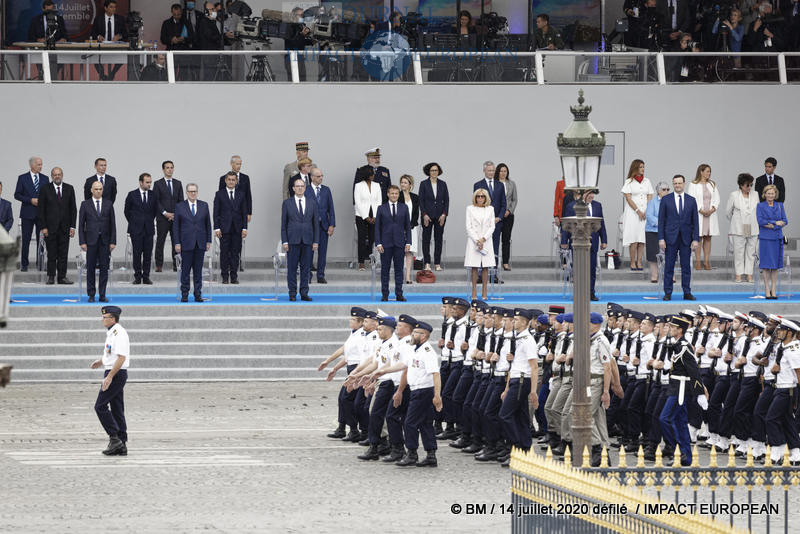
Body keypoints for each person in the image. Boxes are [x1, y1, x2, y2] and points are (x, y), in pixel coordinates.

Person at [371, 320, 443, 467]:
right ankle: (431, 455)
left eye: (416, 333)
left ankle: (412, 453)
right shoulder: (416, 350)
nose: (413, 335)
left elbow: (436, 374)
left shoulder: (427, 351)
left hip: (423, 391)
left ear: (424, 336)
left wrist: (437, 395)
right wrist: (383, 370)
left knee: (410, 423)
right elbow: (403, 365)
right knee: (425, 423)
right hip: (417, 390)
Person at [658, 315, 707, 466]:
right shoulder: (678, 345)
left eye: (673, 327)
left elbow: (694, 370)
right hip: (675, 387)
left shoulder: (684, 347)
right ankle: (686, 456)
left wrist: (699, 392)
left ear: (680, 330)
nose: (670, 329)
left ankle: (677, 450)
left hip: (680, 389)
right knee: (680, 423)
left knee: (665, 419)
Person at [317, 306, 368, 441]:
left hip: (359, 369)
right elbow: (345, 352)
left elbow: (359, 357)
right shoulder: (354, 333)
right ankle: (342, 427)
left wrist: (356, 374)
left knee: (348, 399)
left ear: (361, 322)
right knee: (342, 398)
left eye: (353, 319)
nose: (350, 321)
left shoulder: (362, 335)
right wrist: (332, 365)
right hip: (352, 368)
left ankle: (354, 430)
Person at [497, 309, 539, 465]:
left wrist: (533, 391)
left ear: (523, 322)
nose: (513, 322)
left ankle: (517, 450)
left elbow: (534, 367)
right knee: (521, 417)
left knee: (505, 415)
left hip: (522, 380)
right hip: (516, 379)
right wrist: (507, 388)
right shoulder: (518, 338)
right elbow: (513, 366)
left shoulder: (527, 340)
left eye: (515, 320)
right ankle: (526, 449)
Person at [90, 305, 130, 456]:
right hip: (113, 370)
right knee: (117, 408)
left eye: (104, 317)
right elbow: (112, 354)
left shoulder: (119, 333)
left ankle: (114, 438)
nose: (102, 319)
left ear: (112, 319)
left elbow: (121, 357)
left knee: (100, 406)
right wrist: (101, 361)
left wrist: (110, 376)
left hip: (116, 373)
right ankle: (122, 443)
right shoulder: (112, 333)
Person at [658, 174, 699, 301]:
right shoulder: (666, 199)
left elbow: (695, 221)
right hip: (670, 238)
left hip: (686, 238)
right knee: (669, 266)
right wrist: (661, 238)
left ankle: (687, 292)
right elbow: (661, 221)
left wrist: (696, 239)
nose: (677, 185)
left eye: (679, 183)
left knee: (686, 267)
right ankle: (668, 293)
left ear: (684, 184)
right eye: (675, 183)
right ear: (673, 184)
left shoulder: (691, 200)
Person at [561, 191, 607, 301]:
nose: (592, 196)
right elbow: (566, 224)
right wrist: (564, 241)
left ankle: (591, 292)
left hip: (593, 242)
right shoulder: (572, 206)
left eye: (592, 194)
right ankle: (578, 293)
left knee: (591, 269)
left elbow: (602, 223)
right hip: (577, 242)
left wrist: (604, 239)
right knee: (577, 269)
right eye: (589, 194)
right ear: (583, 194)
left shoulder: (597, 205)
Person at [281, 177, 319, 301]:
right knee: (292, 269)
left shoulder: (312, 203)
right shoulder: (287, 203)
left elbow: (315, 225)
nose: (300, 188)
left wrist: (316, 241)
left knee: (306, 268)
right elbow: (284, 224)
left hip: (308, 240)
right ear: (293, 188)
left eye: (302, 186)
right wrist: (285, 241)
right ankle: (292, 293)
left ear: (305, 188)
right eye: (297, 186)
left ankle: (304, 292)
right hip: (292, 241)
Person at [37, 167, 76, 285]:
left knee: (63, 254)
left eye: (59, 174)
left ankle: (62, 277)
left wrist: (72, 227)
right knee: (52, 254)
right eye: (54, 175)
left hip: (65, 228)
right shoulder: (45, 189)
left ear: (62, 175)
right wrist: (43, 227)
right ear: (51, 176)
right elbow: (41, 210)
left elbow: (73, 209)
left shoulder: (69, 188)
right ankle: (51, 277)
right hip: (50, 228)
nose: (57, 176)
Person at [78, 181, 116, 303]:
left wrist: (112, 241)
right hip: (90, 241)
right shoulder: (85, 204)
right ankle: (91, 294)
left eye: (100, 189)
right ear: (91, 190)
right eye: (96, 189)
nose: (98, 191)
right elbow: (80, 225)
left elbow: (112, 224)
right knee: (90, 268)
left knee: (104, 268)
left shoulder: (108, 204)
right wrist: (82, 242)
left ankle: (102, 294)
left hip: (105, 241)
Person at [173, 183, 212, 302]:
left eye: (195, 191)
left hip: (200, 243)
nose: (193, 193)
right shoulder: (180, 206)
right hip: (186, 243)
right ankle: (184, 294)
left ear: (197, 192)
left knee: (198, 271)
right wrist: (177, 242)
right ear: (187, 193)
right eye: (190, 191)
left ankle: (197, 294)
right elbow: (176, 227)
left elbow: (208, 225)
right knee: (185, 271)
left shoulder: (204, 205)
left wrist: (208, 240)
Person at [375, 186, 411, 302]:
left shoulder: (404, 208)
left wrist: (408, 242)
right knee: (385, 270)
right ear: (388, 194)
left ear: (399, 195)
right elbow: (377, 228)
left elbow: (408, 227)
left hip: (400, 243)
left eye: (396, 193)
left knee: (399, 270)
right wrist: (378, 243)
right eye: (392, 193)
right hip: (385, 244)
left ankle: (399, 294)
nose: (394, 195)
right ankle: (385, 294)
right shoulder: (381, 208)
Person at [213, 171, 248, 284]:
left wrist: (244, 228)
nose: (231, 182)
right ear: (225, 180)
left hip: (237, 228)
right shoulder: (219, 194)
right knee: (224, 253)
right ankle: (224, 276)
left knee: (235, 253)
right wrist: (217, 228)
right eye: (229, 180)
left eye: (233, 180)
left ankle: (234, 276)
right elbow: (216, 212)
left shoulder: (241, 194)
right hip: (224, 228)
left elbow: (244, 212)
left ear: (236, 181)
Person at [123, 173, 158, 285]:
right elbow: (126, 211)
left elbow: (155, 211)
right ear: (141, 182)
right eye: (147, 182)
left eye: (150, 182)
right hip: (136, 229)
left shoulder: (153, 195)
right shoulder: (132, 195)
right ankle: (137, 277)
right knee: (137, 254)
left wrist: (147, 221)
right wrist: (135, 222)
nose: (149, 184)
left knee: (148, 254)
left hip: (148, 229)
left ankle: (146, 276)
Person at [621, 159, 654, 271]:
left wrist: (647, 210)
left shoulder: (647, 181)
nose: (643, 169)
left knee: (641, 239)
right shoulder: (629, 182)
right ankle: (632, 262)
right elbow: (628, 198)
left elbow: (650, 195)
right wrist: (638, 211)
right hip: (633, 213)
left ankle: (639, 262)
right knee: (634, 239)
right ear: (635, 168)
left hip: (645, 213)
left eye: (643, 166)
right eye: (640, 167)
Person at [726, 173, 760, 283]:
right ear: (741, 185)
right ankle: (739, 274)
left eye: (751, 185)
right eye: (747, 185)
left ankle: (749, 274)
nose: (749, 188)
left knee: (751, 251)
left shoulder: (755, 194)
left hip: (752, 226)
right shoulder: (734, 195)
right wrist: (736, 221)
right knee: (738, 251)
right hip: (739, 227)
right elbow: (728, 212)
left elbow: (758, 211)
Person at [474, 161, 506, 275]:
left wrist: (499, 217)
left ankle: (494, 274)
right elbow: (476, 205)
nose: (491, 172)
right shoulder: (478, 185)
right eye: (489, 170)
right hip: (483, 225)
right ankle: (479, 274)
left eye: (493, 170)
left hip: (496, 223)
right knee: (481, 247)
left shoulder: (500, 185)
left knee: (495, 248)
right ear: (484, 171)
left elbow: (503, 204)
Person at [15, 157, 46, 272]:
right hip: (27, 213)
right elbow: (17, 195)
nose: (41, 166)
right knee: (26, 240)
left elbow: (47, 195)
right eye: (38, 164)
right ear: (32, 165)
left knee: (41, 240)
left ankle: (41, 263)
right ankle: (24, 264)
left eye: (41, 164)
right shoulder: (22, 178)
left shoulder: (45, 178)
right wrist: (30, 200)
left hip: (41, 214)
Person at [686, 164, 720, 271]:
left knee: (708, 237)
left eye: (710, 172)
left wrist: (712, 209)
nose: (709, 173)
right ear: (701, 172)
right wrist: (700, 210)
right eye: (707, 171)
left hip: (710, 214)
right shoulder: (693, 184)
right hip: (699, 214)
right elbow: (691, 199)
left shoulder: (712, 184)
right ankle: (698, 262)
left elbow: (717, 199)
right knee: (698, 237)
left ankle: (706, 261)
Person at [757, 184, 787, 299]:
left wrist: (771, 224)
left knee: (775, 266)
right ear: (764, 194)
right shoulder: (760, 206)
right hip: (765, 238)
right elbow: (760, 221)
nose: (770, 195)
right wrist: (775, 223)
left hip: (777, 238)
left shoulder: (780, 205)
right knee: (765, 266)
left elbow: (785, 220)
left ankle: (773, 289)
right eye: (768, 193)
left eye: (772, 193)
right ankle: (766, 289)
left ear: (775, 194)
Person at [465, 189, 495, 300]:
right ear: (475, 197)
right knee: (474, 267)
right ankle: (474, 292)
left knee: (486, 267)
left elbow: (492, 226)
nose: (480, 198)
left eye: (482, 196)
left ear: (486, 197)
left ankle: (484, 292)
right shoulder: (470, 209)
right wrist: (477, 240)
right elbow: (469, 227)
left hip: (486, 240)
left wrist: (483, 239)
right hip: (474, 241)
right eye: (478, 196)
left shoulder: (490, 209)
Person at [418, 162, 449, 272]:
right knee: (426, 240)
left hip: (440, 216)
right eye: (432, 170)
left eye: (436, 170)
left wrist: (444, 214)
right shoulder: (423, 184)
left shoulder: (443, 184)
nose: (434, 172)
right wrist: (424, 215)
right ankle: (426, 262)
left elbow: (446, 201)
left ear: (438, 171)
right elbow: (421, 201)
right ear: (428, 172)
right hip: (427, 216)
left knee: (438, 240)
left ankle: (437, 263)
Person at [153, 161, 184, 272]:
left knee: (176, 241)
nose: (170, 170)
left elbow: (181, 201)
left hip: (176, 217)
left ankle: (176, 265)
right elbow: (156, 201)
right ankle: (159, 265)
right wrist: (165, 213)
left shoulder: (178, 183)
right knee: (160, 241)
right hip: (162, 218)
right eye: (167, 168)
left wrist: (176, 214)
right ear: (163, 170)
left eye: (171, 168)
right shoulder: (158, 184)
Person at [308, 167, 335, 284]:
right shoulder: (306, 190)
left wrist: (332, 225)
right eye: (318, 176)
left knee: (322, 252)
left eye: (322, 176)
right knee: (309, 252)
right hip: (310, 226)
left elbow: (331, 209)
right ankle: (307, 275)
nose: (321, 178)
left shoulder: (326, 190)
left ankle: (320, 275)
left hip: (324, 226)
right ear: (312, 177)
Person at [353, 165, 382, 271]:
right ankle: (361, 262)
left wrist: (375, 216)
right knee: (361, 239)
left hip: (374, 215)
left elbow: (379, 201)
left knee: (373, 239)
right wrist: (366, 217)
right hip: (361, 215)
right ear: (367, 175)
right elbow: (358, 202)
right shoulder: (358, 185)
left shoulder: (377, 185)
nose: (373, 175)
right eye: (371, 174)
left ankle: (372, 260)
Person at [90, 0, 126, 80]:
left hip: (116, 46)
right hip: (102, 46)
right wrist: (98, 36)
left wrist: (119, 36)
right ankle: (102, 75)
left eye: (115, 7)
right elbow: (92, 33)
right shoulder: (98, 19)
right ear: (105, 8)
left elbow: (125, 33)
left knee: (124, 56)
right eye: (111, 7)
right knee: (94, 57)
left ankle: (112, 73)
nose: (114, 9)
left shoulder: (120, 19)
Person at [645, 181, 670, 283]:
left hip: (668, 231)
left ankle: (670, 276)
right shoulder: (652, 202)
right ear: (658, 191)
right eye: (664, 189)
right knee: (653, 255)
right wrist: (663, 223)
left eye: (668, 189)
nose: (666, 191)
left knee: (670, 254)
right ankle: (654, 276)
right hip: (653, 231)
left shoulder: (671, 201)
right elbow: (650, 216)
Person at [217, 155, 252, 224]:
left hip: (241, 211)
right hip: (227, 212)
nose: (239, 166)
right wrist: (219, 214)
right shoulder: (223, 178)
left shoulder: (245, 178)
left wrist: (249, 213)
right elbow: (220, 197)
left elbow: (248, 196)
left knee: (240, 233)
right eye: (237, 164)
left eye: (240, 164)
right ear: (231, 164)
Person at [495, 164, 517, 271]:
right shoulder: (494, 184)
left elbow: (514, 199)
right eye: (501, 171)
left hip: (508, 216)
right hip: (497, 216)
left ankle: (505, 262)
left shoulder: (511, 184)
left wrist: (509, 211)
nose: (503, 173)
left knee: (506, 240)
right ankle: (494, 262)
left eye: (505, 171)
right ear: (497, 172)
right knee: (495, 239)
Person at [398, 175, 419, 284]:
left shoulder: (415, 197)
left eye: (405, 182)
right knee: (400, 251)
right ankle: (400, 275)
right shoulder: (397, 196)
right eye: (401, 182)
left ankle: (408, 277)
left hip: (411, 227)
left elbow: (416, 214)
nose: (403, 184)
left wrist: (410, 226)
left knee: (409, 252)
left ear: (410, 184)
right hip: (400, 228)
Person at [283, 6, 312, 81]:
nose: (301, 17)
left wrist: (312, 41)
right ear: (293, 15)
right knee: (293, 80)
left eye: (302, 15)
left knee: (302, 80)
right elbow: (293, 42)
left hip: (300, 56)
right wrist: (301, 34)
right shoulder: (288, 26)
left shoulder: (301, 25)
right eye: (299, 15)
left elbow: (301, 42)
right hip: (291, 57)